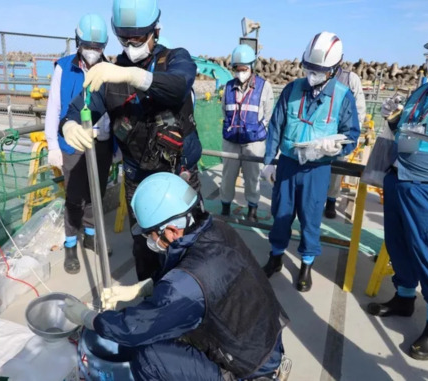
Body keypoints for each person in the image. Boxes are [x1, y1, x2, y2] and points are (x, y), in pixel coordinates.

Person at [62, 172, 289, 381]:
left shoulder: (185, 283)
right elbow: (210, 284)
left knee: (149, 356)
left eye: (151, 234)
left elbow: (133, 329)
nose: (150, 240)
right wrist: (145, 288)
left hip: (245, 368)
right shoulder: (217, 229)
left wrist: (87, 317)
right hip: (262, 343)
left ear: (171, 230)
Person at [61, 0, 202, 281]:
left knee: (187, 245)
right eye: (124, 38)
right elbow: (79, 106)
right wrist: (68, 124)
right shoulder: (109, 74)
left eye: (138, 37)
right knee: (145, 247)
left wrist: (132, 75)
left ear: (155, 32)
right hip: (137, 178)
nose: (131, 43)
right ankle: (149, 298)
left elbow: (178, 86)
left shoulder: (175, 59)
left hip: (177, 175)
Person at [368, 19, 428, 362]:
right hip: (400, 180)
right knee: (399, 246)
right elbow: (407, 130)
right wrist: (393, 119)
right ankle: (404, 297)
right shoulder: (424, 89)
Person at [261, 31, 360, 292]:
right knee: (281, 213)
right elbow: (276, 126)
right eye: (309, 67)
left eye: (320, 69)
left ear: (334, 69)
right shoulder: (292, 89)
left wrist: (335, 148)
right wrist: (269, 161)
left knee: (311, 217)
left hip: (318, 169)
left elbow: (352, 135)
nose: (313, 73)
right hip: (288, 164)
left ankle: (306, 264)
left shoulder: (342, 96)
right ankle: (276, 257)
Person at [44, 14, 113, 274]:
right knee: (74, 198)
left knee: (97, 195)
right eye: (89, 46)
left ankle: (92, 235)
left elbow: (113, 109)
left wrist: (114, 146)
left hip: (101, 143)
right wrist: (53, 144)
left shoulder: (109, 70)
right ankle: (71, 245)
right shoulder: (64, 68)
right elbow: (54, 109)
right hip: (72, 143)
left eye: (99, 47)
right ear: (78, 43)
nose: (94, 52)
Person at [220, 44, 274, 222]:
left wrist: (257, 131)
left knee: (252, 178)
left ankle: (252, 208)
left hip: (254, 142)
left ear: (251, 66)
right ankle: (225, 206)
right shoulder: (228, 87)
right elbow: (224, 110)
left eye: (243, 69)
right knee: (228, 176)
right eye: (236, 69)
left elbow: (268, 114)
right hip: (231, 140)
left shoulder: (264, 87)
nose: (240, 72)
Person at [324, 64, 366, 219]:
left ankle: (331, 201)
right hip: (320, 131)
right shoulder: (318, 74)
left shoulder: (350, 78)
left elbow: (360, 109)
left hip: (340, 134)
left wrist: (352, 136)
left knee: (336, 168)